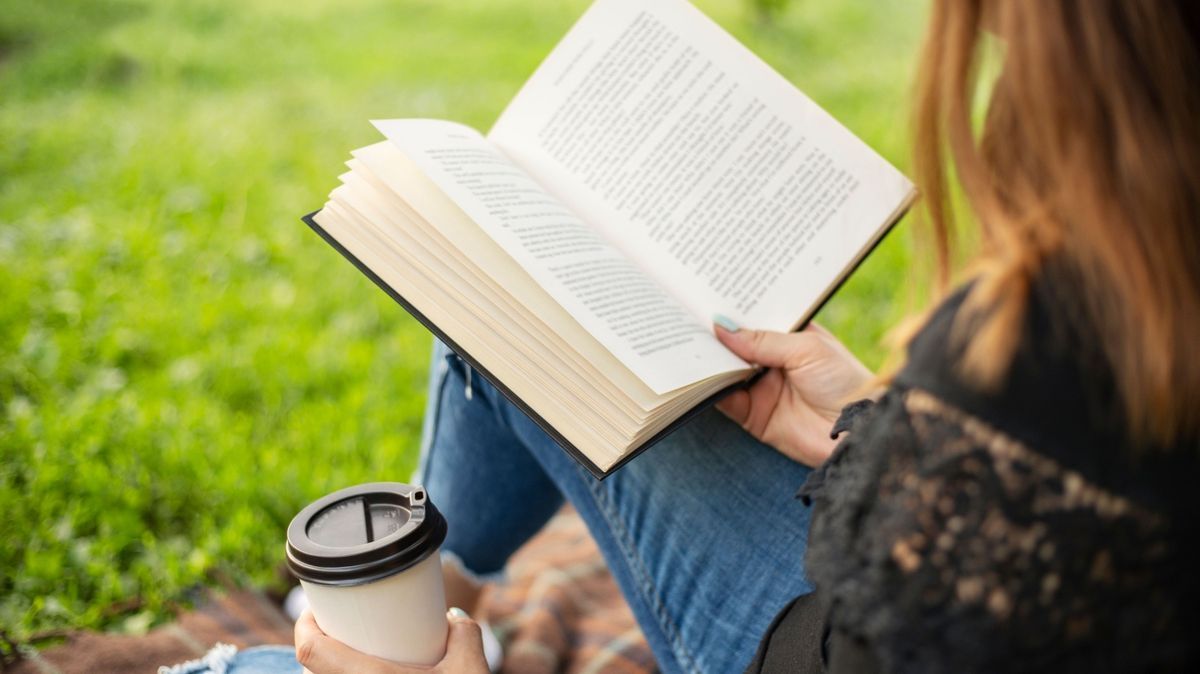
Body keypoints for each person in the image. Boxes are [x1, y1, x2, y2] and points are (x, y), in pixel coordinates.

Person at [188, 0, 1198, 672]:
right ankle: (437, 589)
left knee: (240, 671)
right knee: (515, 300)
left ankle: (402, 619)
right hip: (886, 592)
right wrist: (868, 428)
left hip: (823, 639)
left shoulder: (1058, 329)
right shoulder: (1135, 298)